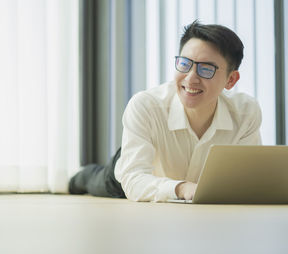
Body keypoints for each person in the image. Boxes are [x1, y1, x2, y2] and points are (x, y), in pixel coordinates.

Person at [68, 20, 262, 202]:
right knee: (101, 182)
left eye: (206, 69)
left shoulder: (246, 113)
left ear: (231, 80)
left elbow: (249, 177)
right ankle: (80, 176)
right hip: (140, 173)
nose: (191, 78)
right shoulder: (146, 106)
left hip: (190, 191)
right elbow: (133, 179)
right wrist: (183, 188)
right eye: (185, 64)